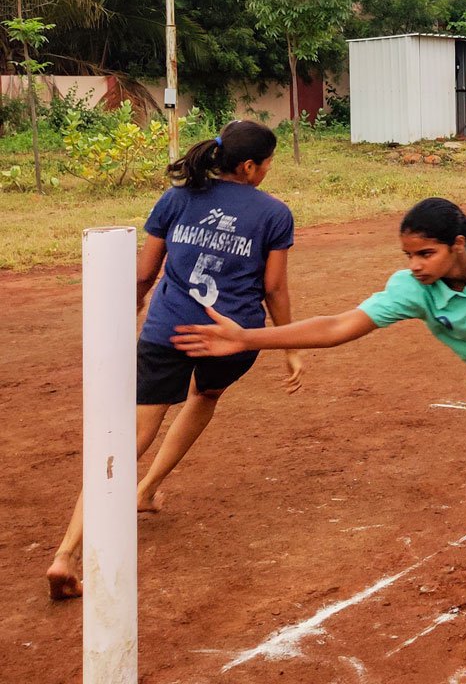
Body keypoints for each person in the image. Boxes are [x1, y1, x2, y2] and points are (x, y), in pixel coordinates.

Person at [175, 196, 466, 607]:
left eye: (425, 254)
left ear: (457, 244)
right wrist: (247, 338)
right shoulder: (413, 289)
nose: (415, 264)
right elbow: (338, 326)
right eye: (408, 255)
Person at [47, 121, 301, 601]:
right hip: (229, 339)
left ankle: (66, 551)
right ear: (249, 167)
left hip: (167, 333)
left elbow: (145, 272)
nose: (267, 172)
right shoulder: (274, 214)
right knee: (206, 396)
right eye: (267, 164)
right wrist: (287, 345)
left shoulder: (178, 197)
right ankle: (146, 489)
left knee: (130, 437)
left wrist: (134, 308)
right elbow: (273, 288)